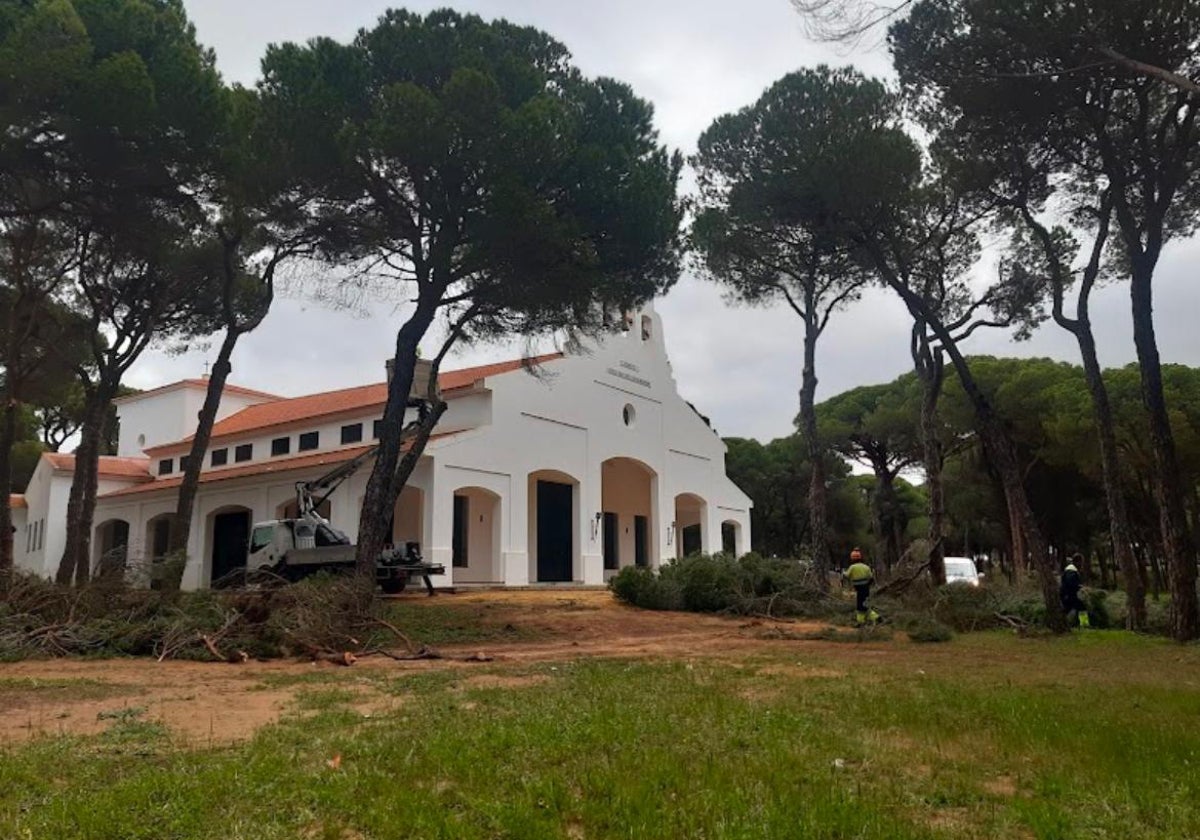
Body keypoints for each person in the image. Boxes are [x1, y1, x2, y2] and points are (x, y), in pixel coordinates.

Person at [844, 548, 878, 626]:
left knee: (861, 606)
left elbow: (847, 575)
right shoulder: (866, 567)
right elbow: (871, 578)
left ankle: (873, 619)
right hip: (866, 588)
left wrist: (843, 573)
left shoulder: (852, 567)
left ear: (852, 558)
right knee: (864, 604)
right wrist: (867, 585)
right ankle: (865, 620)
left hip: (859, 589)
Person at [1060, 555, 1090, 628]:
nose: (1081, 564)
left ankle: (1063, 624)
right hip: (1069, 595)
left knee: (1067, 610)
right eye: (1081, 562)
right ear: (1077, 562)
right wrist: (1079, 586)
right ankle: (1084, 624)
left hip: (1067, 594)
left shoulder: (1070, 570)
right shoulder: (1071, 571)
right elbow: (1070, 583)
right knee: (1081, 608)